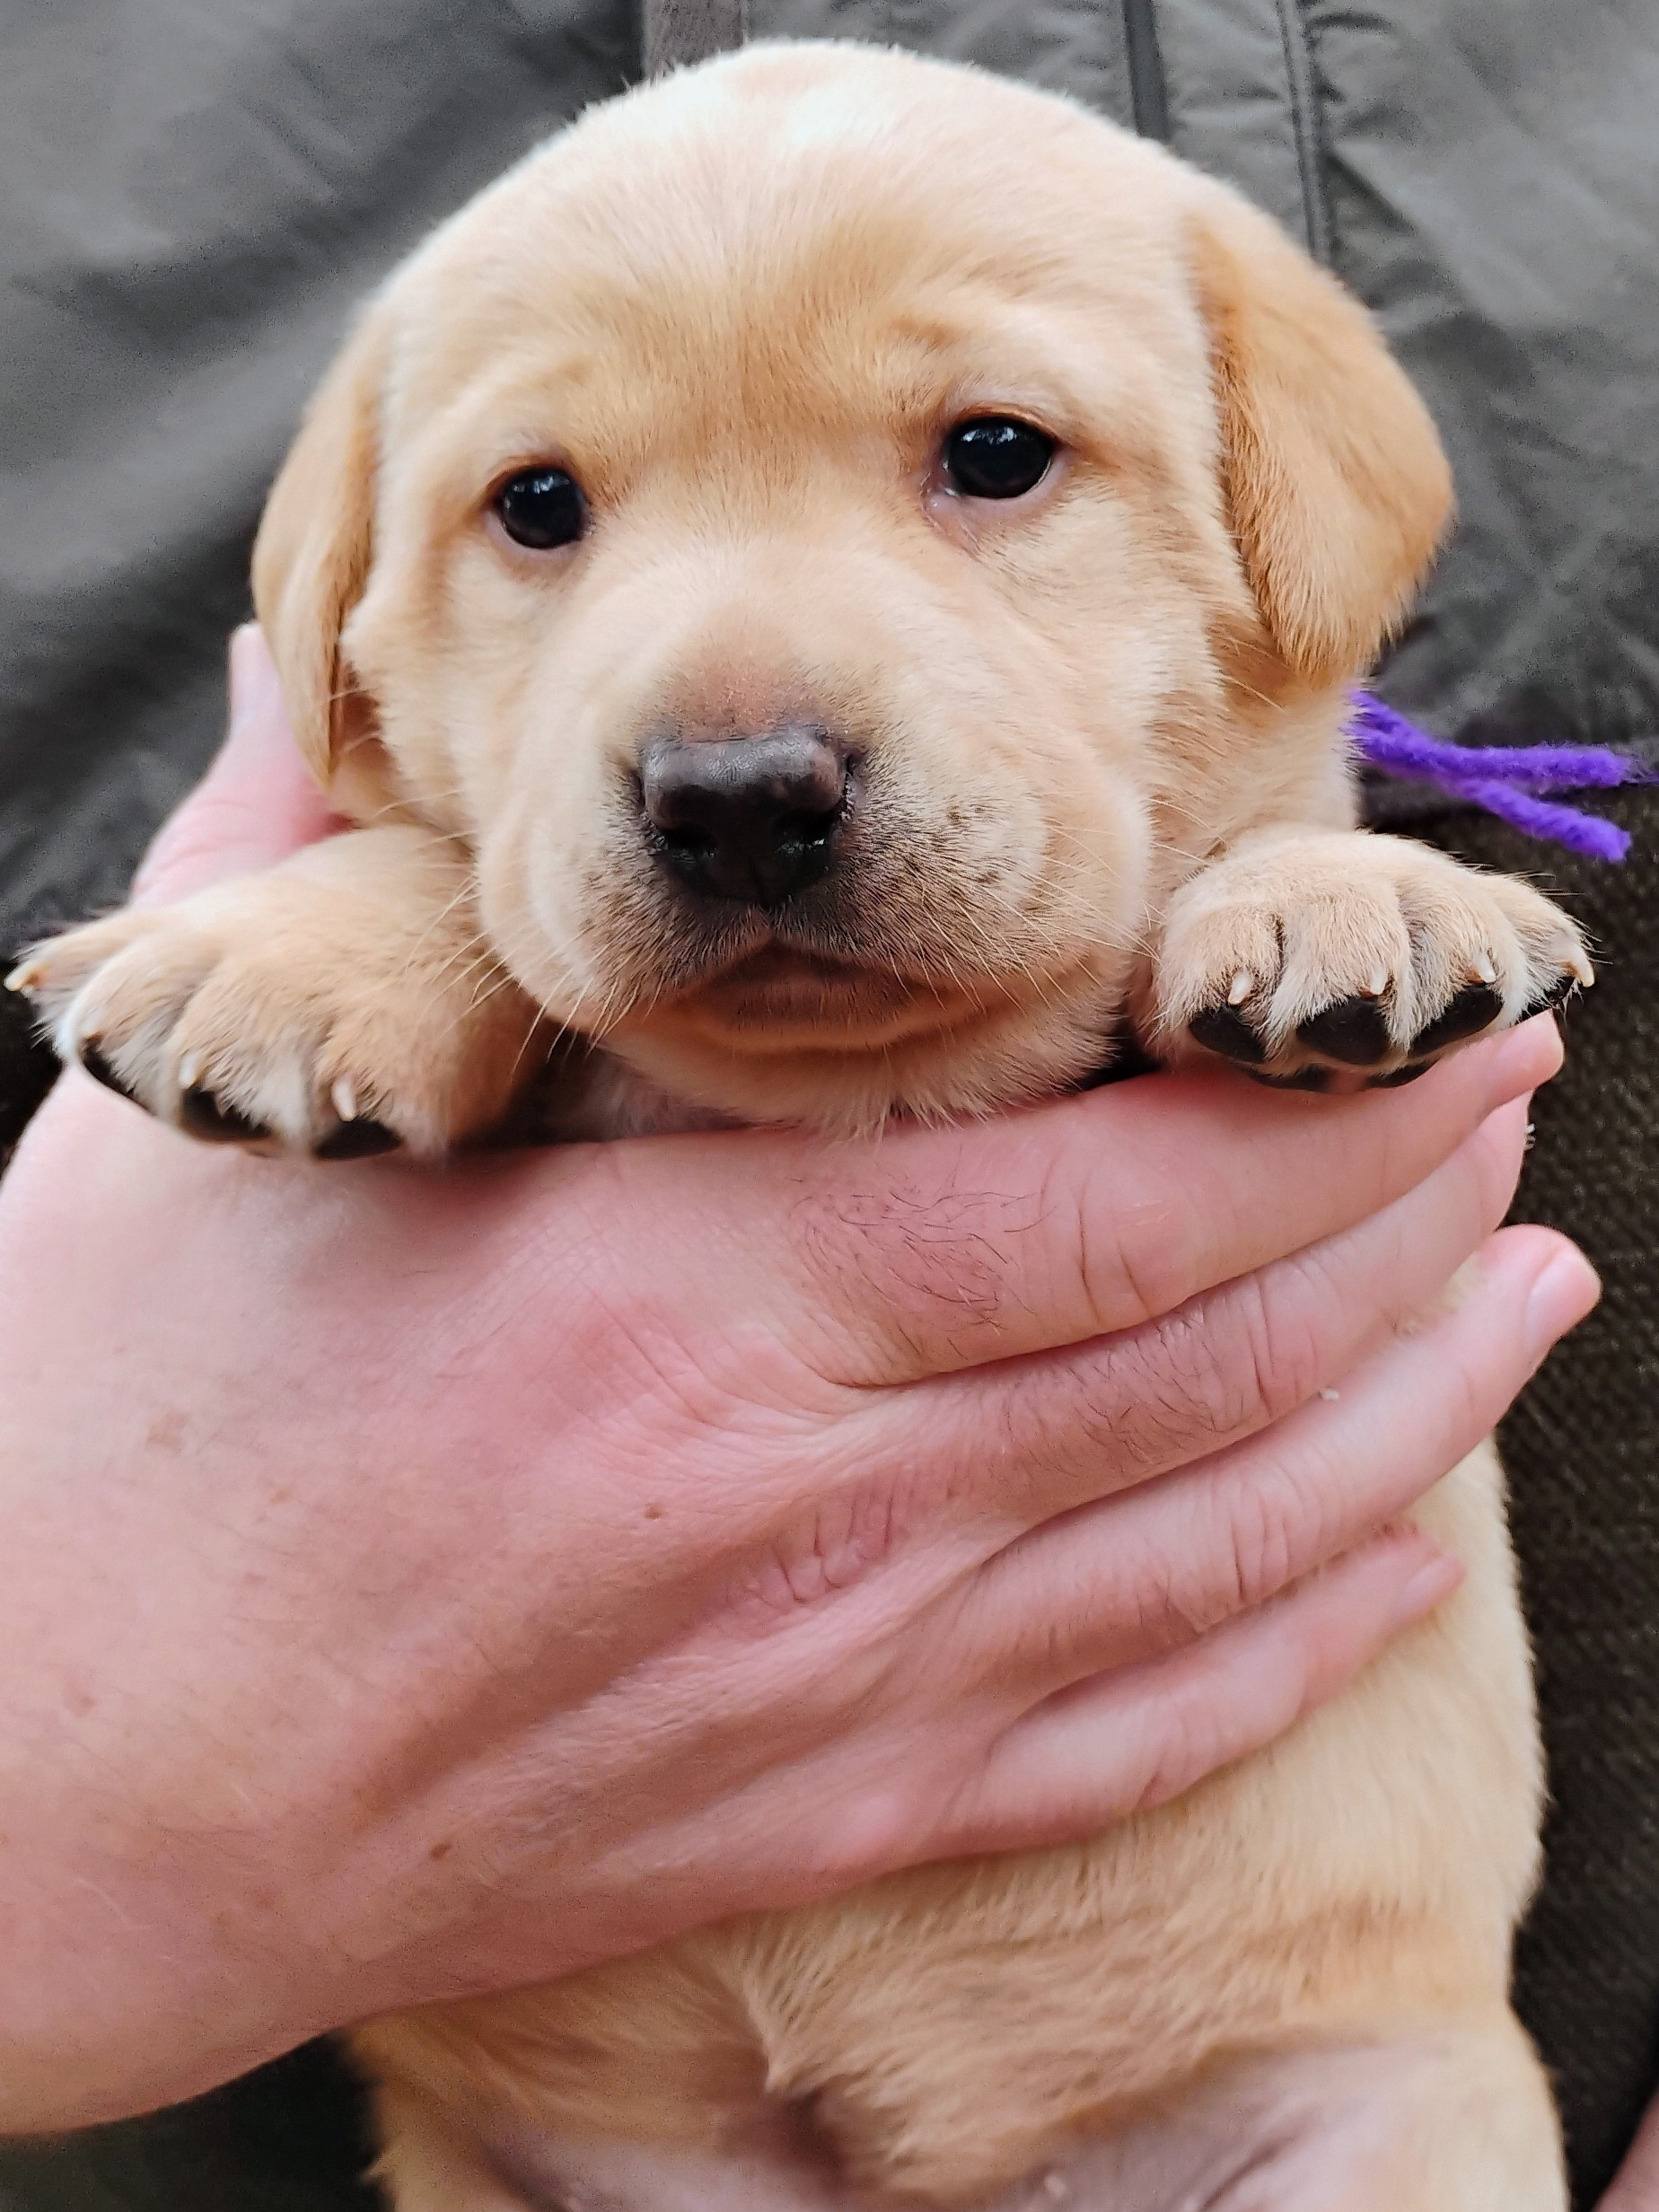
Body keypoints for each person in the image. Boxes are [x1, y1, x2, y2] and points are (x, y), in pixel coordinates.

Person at [0, 4, 1655, 2208]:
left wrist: (1291, 893)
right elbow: (387, 849)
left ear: (1292, 505)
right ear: (348, 618)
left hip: (1292, 2093)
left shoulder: (1308, 919)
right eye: (544, 502)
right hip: (536, 2130)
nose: (735, 746)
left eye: (988, 455)